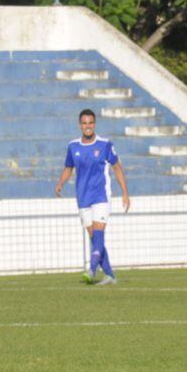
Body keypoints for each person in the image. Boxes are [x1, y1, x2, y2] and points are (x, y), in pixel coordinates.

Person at [55, 109, 131, 285]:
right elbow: (68, 168)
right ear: (80, 125)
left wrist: (125, 193)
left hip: (101, 196)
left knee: (99, 234)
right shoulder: (73, 146)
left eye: (90, 123)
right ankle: (110, 275)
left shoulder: (105, 145)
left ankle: (91, 269)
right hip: (82, 198)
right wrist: (60, 183)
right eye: (84, 123)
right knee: (95, 238)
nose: (87, 126)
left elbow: (117, 168)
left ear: (94, 124)